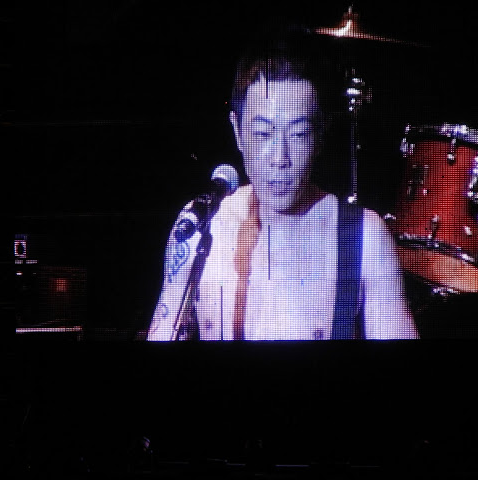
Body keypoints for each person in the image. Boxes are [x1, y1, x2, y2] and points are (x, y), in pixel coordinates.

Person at [147, 36, 418, 341]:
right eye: (262, 134)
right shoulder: (200, 225)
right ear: (237, 131)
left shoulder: (363, 237)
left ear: (319, 134)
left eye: (299, 134)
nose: (280, 159)